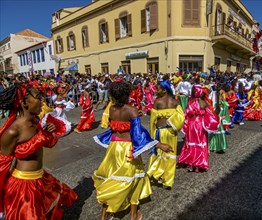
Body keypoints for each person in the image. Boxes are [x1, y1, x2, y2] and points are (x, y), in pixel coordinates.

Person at [92, 80, 173, 220]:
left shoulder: (111, 109)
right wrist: (160, 145)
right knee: (134, 179)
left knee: (111, 179)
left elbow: (116, 127)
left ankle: (104, 215)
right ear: (127, 94)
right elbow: (139, 134)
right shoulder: (131, 110)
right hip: (128, 149)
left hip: (113, 148)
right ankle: (134, 215)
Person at [0, 84, 77, 219]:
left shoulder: (36, 121)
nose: (43, 101)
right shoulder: (13, 131)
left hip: (40, 178)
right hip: (23, 186)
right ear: (24, 103)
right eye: (39, 97)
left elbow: (48, 144)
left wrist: (49, 133)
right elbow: (2, 166)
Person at [147, 80, 185, 189]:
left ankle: (158, 175)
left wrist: (152, 134)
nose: (156, 90)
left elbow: (153, 120)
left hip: (161, 132)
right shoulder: (174, 102)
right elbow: (181, 117)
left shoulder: (157, 102)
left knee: (160, 153)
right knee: (171, 155)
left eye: (158, 88)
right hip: (172, 133)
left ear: (164, 90)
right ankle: (168, 180)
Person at [178, 85, 220, 172]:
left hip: (192, 125)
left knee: (191, 143)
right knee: (201, 143)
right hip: (201, 126)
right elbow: (211, 114)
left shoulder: (191, 102)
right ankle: (199, 164)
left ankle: (191, 163)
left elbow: (186, 113)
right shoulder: (205, 103)